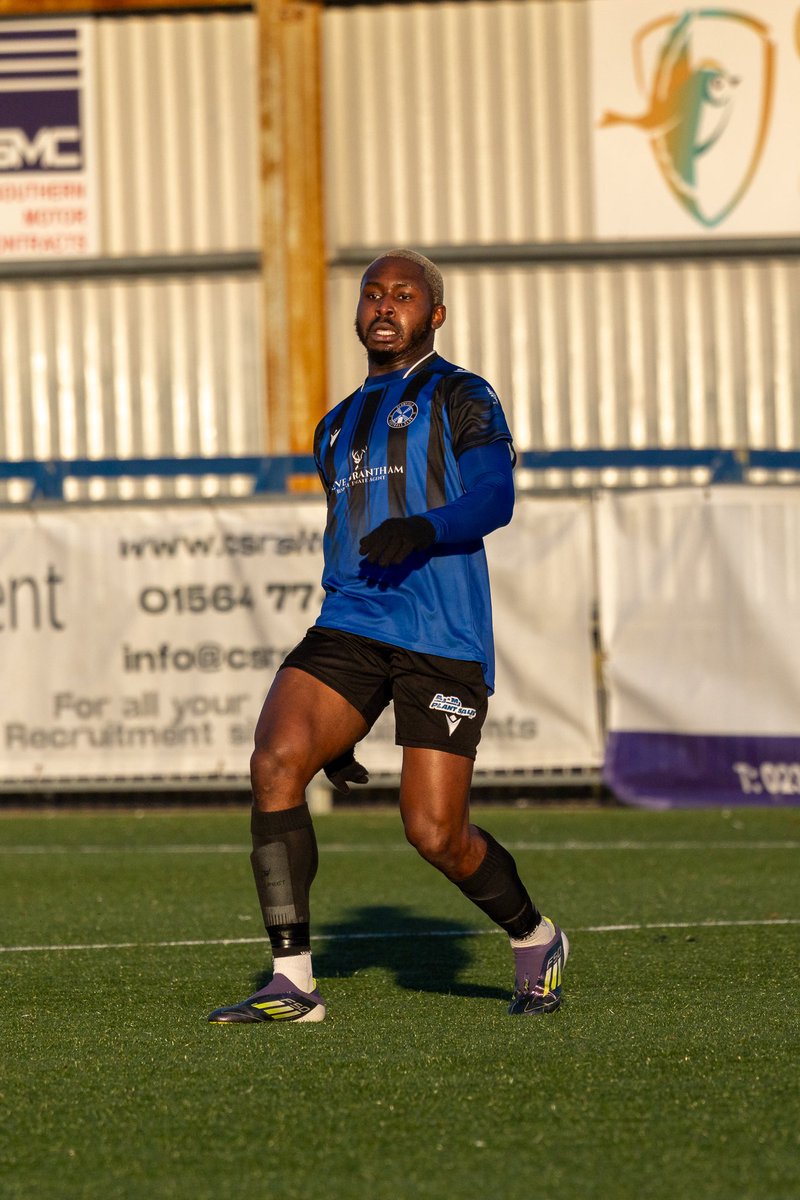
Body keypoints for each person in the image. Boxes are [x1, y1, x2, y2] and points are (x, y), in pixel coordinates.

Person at [208, 249, 567, 1024]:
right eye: (373, 293)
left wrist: (427, 526)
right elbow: (345, 538)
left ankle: (534, 937)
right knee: (276, 762)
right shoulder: (335, 426)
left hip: (440, 632)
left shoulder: (461, 394)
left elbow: (497, 497)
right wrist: (338, 721)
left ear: (434, 314)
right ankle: (294, 984)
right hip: (350, 623)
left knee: (434, 832)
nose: (383, 305)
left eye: (403, 295)